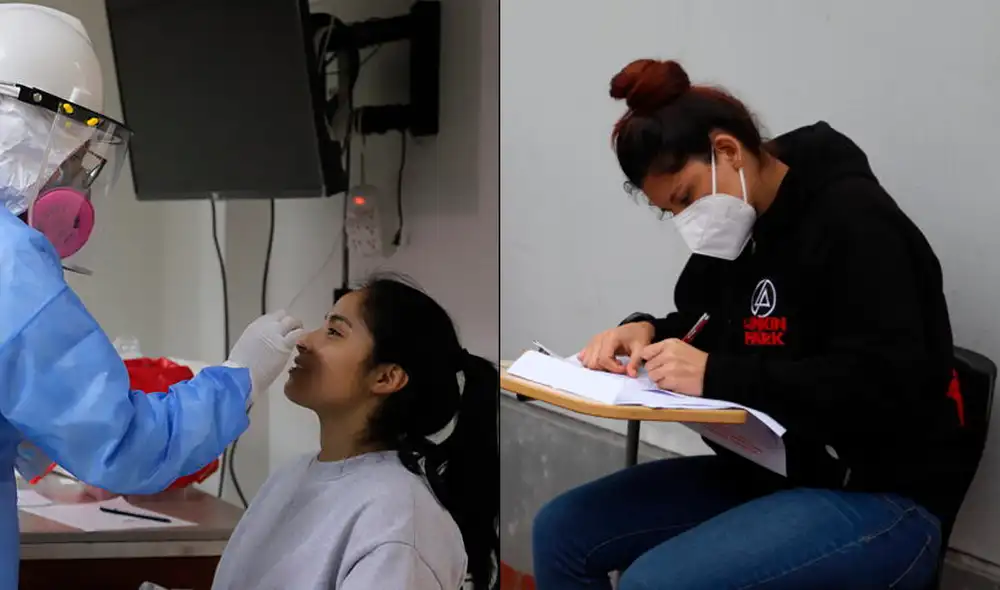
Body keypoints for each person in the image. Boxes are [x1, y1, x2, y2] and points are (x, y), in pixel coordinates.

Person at [532, 58, 973, 589]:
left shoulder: (858, 223)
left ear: (726, 151)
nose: (687, 222)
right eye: (671, 212)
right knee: (562, 530)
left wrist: (716, 376)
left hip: (881, 494)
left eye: (687, 198)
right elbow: (705, 326)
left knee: (656, 584)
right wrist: (646, 330)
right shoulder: (737, 236)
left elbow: (882, 384)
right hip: (776, 473)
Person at [0, 5, 305, 589]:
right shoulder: (12, 265)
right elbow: (123, 445)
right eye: (74, 157)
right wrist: (237, 380)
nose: (74, 179)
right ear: (29, 139)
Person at [211, 275, 499, 590]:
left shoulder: (397, 517)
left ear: (387, 377)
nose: (304, 340)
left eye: (334, 332)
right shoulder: (291, 476)